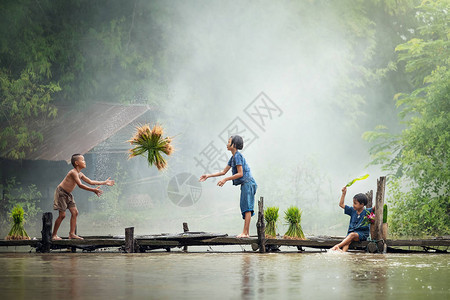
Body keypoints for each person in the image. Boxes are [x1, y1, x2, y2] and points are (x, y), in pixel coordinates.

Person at [199, 135, 257, 238]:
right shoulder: (233, 157)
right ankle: (245, 232)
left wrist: (225, 180)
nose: (227, 144)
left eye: (229, 142)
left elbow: (240, 174)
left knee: (247, 208)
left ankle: (245, 233)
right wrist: (208, 175)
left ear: (234, 145)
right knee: (245, 207)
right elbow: (223, 172)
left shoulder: (238, 156)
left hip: (248, 183)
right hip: (246, 184)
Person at [52, 154, 115, 240]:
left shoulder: (80, 174)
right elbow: (80, 185)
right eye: (83, 160)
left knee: (75, 212)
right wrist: (93, 190)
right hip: (61, 193)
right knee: (62, 215)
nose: (85, 162)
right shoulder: (73, 172)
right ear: (77, 163)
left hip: (68, 194)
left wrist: (104, 182)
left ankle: (72, 234)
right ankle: (54, 235)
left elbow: (90, 181)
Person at [331, 186, 373, 252]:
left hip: (362, 234)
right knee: (347, 242)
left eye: (355, 203)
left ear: (362, 205)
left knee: (351, 235)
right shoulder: (352, 210)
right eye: (353, 203)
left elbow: (376, 207)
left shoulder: (367, 211)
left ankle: (337, 246)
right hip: (351, 234)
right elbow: (341, 204)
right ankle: (343, 253)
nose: (353, 205)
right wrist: (343, 193)